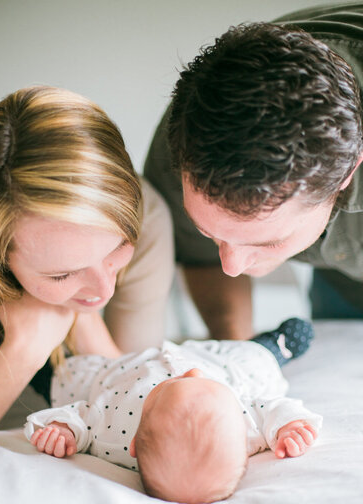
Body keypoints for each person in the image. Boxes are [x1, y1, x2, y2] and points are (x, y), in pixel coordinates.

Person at [144, 3, 363, 340]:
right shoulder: (190, 131)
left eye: (269, 242)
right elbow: (202, 260)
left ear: (346, 175)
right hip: (340, 283)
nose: (232, 267)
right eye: (211, 233)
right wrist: (238, 354)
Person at [0, 85, 174, 434]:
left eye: (117, 248)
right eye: (62, 274)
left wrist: (82, 319)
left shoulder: (147, 218)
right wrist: (24, 350)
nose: (104, 289)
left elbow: (137, 399)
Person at [24, 316, 321, 504]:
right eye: (202, 384)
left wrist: (62, 430)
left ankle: (29, 365)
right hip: (221, 368)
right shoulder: (245, 428)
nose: (192, 373)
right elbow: (270, 409)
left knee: (61, 379)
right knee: (256, 362)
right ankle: (277, 346)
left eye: (169, 387)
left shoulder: (107, 434)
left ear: (134, 445)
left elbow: (79, 416)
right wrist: (288, 427)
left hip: (119, 373)